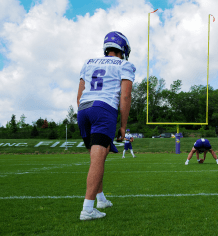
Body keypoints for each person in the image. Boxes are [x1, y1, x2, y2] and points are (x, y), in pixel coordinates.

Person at [77, 31, 135, 220]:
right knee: (98, 159)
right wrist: (123, 126)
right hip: (104, 109)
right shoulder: (125, 65)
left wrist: (86, 114)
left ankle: (100, 199)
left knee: (97, 157)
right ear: (123, 48)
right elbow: (126, 96)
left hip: (84, 109)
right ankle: (87, 209)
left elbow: (80, 95)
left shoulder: (88, 62)